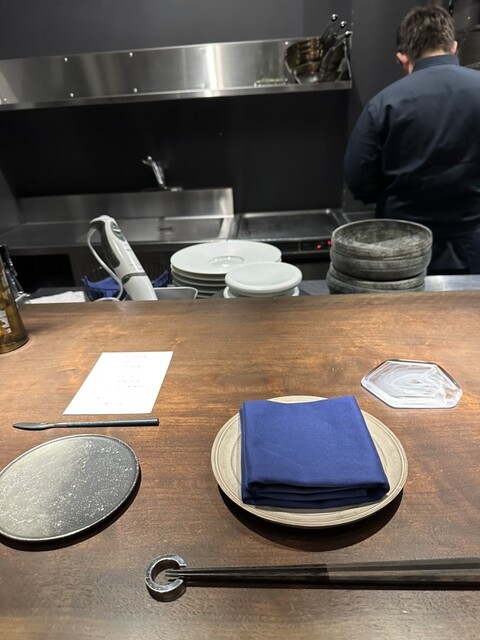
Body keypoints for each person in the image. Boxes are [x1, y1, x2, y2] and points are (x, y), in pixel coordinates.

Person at [343, 5, 480, 274]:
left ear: (402, 58)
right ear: (454, 47)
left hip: (404, 249)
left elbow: (358, 179)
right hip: (475, 244)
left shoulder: (383, 105)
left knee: (409, 303)